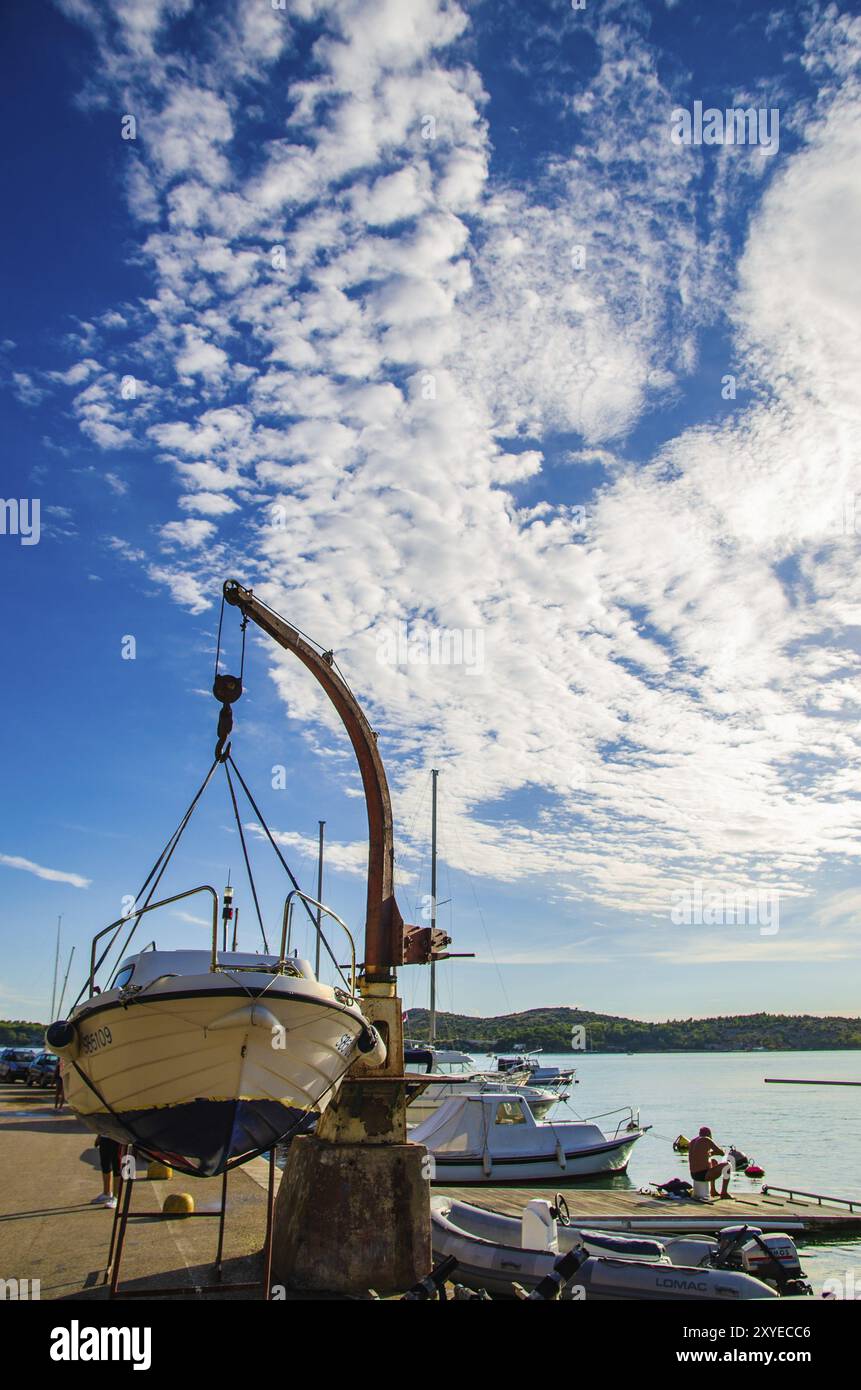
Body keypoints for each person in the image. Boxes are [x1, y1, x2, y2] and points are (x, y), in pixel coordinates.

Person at [688, 1125, 731, 1198]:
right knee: (727, 1165)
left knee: (713, 1161)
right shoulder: (707, 1139)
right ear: (709, 1134)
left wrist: (710, 1153)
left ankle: (713, 1191)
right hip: (703, 1175)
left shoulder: (692, 1141)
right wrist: (722, 1150)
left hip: (693, 1175)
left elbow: (699, 1156)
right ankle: (724, 1193)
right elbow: (721, 1153)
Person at [94, 1135, 121, 1208]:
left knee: (117, 1165)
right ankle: (106, 1193)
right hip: (104, 1135)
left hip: (117, 1136)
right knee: (105, 1164)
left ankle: (116, 1197)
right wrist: (99, 1135)